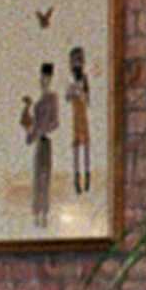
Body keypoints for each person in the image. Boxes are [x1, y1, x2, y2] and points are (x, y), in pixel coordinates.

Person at [21, 62, 60, 226]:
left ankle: (44, 214)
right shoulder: (39, 100)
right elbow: (34, 122)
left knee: (45, 177)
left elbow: (55, 122)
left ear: (50, 79)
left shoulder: (52, 98)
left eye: (46, 77)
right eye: (42, 77)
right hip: (38, 141)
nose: (43, 80)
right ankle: (37, 214)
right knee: (38, 178)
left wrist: (40, 130)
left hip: (45, 141)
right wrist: (30, 127)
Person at [66, 45, 94, 197]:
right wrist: (73, 91)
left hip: (82, 114)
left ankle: (87, 176)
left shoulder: (84, 79)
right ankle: (77, 178)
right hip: (76, 115)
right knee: (76, 145)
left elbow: (87, 98)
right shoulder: (71, 80)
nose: (76, 65)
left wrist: (80, 92)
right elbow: (68, 96)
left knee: (86, 145)